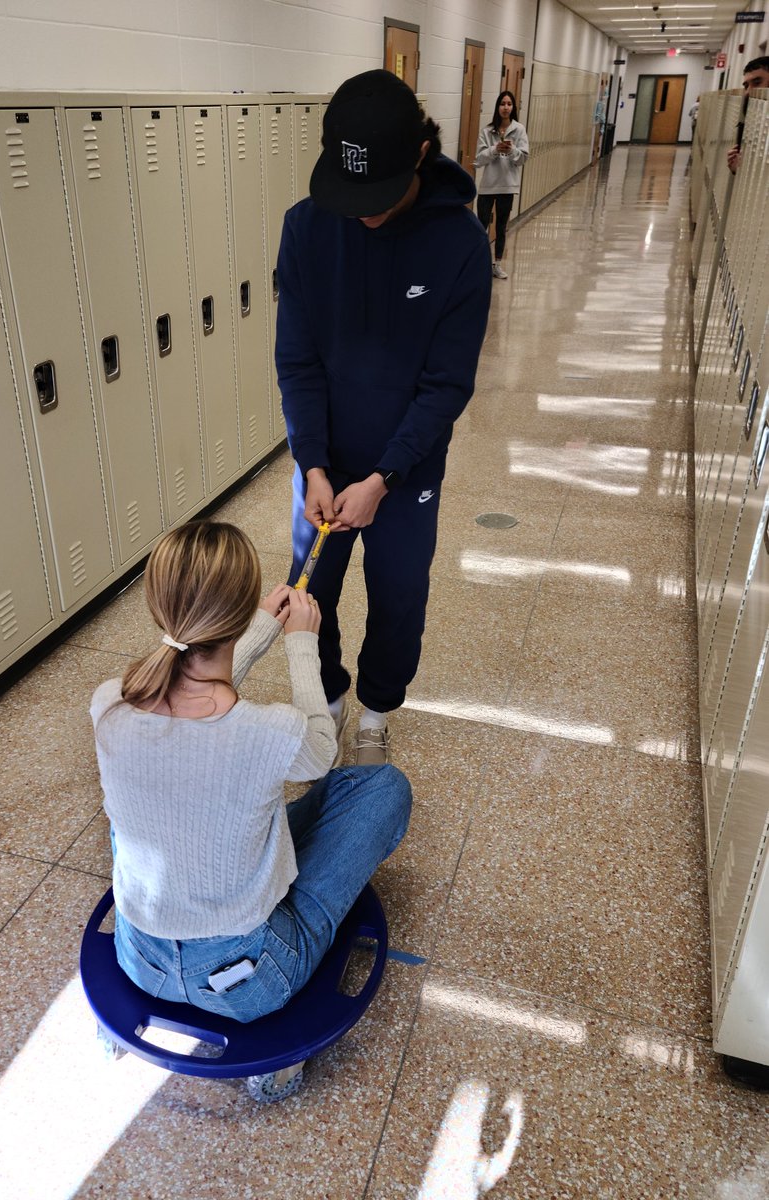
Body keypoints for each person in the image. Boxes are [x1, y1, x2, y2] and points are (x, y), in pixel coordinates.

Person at [90, 520, 411, 1024]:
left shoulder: (109, 702)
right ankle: (280, 1044)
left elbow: (190, 695)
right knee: (384, 788)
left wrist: (258, 629)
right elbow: (321, 751)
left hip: (139, 959)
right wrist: (301, 642)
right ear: (237, 617)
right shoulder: (269, 731)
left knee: (141, 799)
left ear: (158, 605)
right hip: (247, 981)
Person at [275, 69, 491, 766]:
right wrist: (312, 463)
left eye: (378, 196)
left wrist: (384, 477)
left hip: (405, 468)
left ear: (420, 154)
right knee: (315, 588)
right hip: (324, 463)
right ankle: (329, 696)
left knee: (399, 593)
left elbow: (446, 385)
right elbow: (298, 363)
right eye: (352, 196)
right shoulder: (306, 228)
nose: (362, 213)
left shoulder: (461, 244)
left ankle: (375, 710)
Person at [474, 91, 530, 280]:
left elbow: (523, 159)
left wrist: (512, 150)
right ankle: (479, 263)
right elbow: (479, 160)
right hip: (488, 186)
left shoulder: (519, 130)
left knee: (501, 227)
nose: (506, 107)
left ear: (513, 108)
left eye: (509, 104)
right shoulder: (487, 131)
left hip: (507, 186)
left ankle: (497, 264)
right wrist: (495, 149)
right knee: (481, 226)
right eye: (502, 104)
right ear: (497, 107)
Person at [727, 57, 769, 174]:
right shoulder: (752, 124)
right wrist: (738, 169)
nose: (748, 92)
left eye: (757, 83)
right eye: (746, 86)